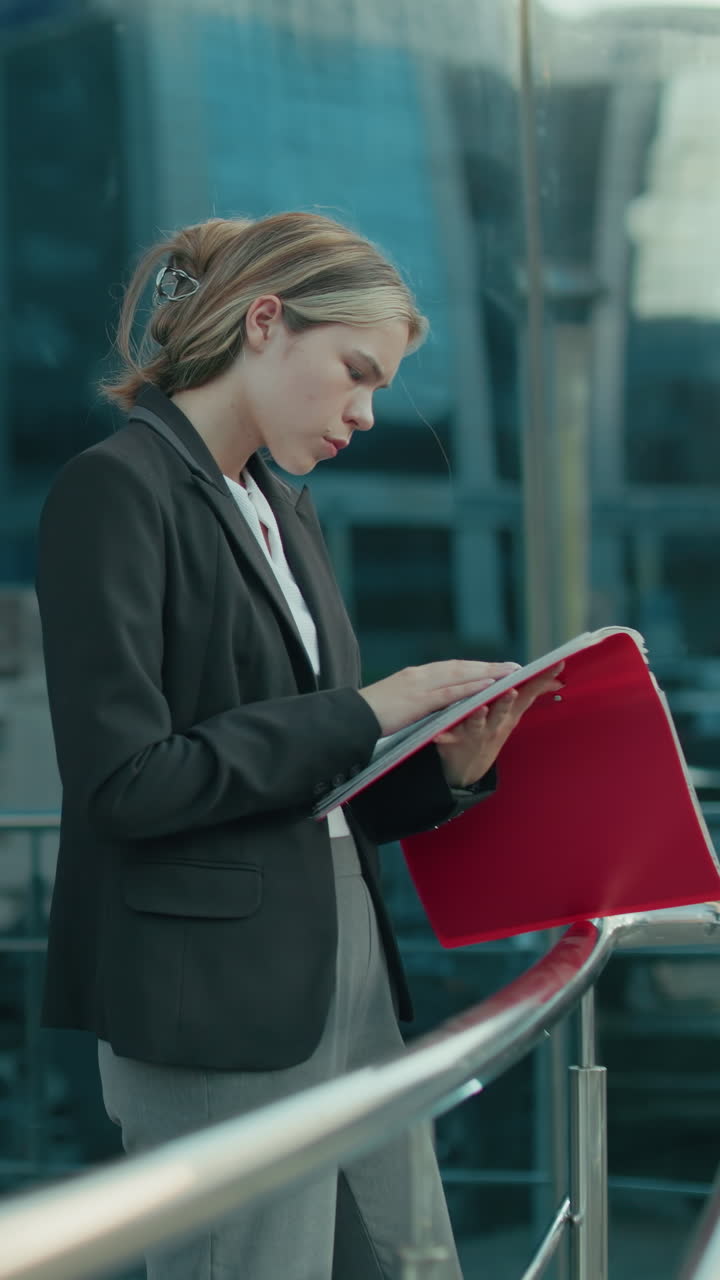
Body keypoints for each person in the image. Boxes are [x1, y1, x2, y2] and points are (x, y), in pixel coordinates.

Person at [35, 212, 562, 1280]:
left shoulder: (284, 506)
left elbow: (314, 776)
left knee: (412, 1261)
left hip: (343, 967)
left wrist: (444, 769)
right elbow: (126, 783)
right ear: (265, 321)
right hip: (213, 996)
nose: (366, 414)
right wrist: (374, 707)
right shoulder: (116, 490)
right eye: (355, 373)